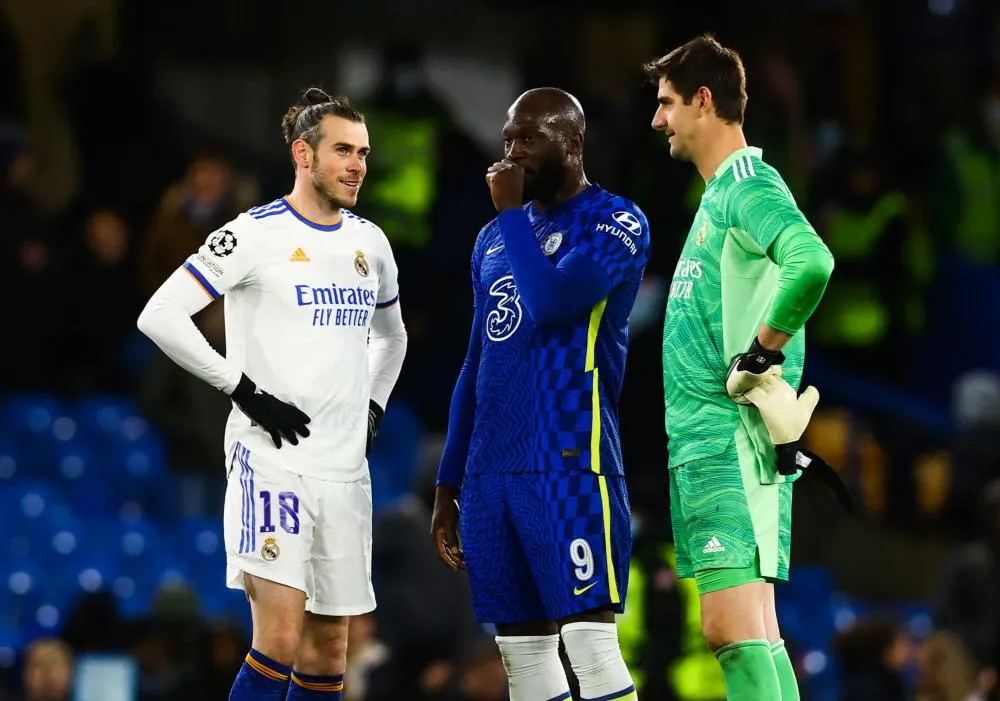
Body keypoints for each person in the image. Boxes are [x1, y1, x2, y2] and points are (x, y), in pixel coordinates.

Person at [137, 87, 407, 700]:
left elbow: (392, 338)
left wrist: (373, 404)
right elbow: (160, 315)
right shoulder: (253, 234)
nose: (357, 165)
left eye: (363, 152)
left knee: (328, 650)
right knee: (279, 641)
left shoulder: (371, 244)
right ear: (302, 154)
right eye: (343, 150)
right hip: (272, 461)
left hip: (345, 471)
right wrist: (243, 390)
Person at [432, 87, 649, 701]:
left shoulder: (615, 221)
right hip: (490, 474)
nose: (513, 153)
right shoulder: (493, 241)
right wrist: (449, 484)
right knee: (524, 661)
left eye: (529, 139)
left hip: (569, 463)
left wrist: (507, 214)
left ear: (573, 143)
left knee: (592, 650)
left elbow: (554, 302)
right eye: (507, 140)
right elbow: (475, 364)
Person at [644, 35, 835, 701]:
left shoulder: (747, 185)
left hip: (731, 441)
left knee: (731, 629)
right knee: (755, 630)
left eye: (666, 103)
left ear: (704, 100)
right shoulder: (718, 197)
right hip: (712, 445)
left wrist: (763, 350)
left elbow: (813, 260)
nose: (656, 120)